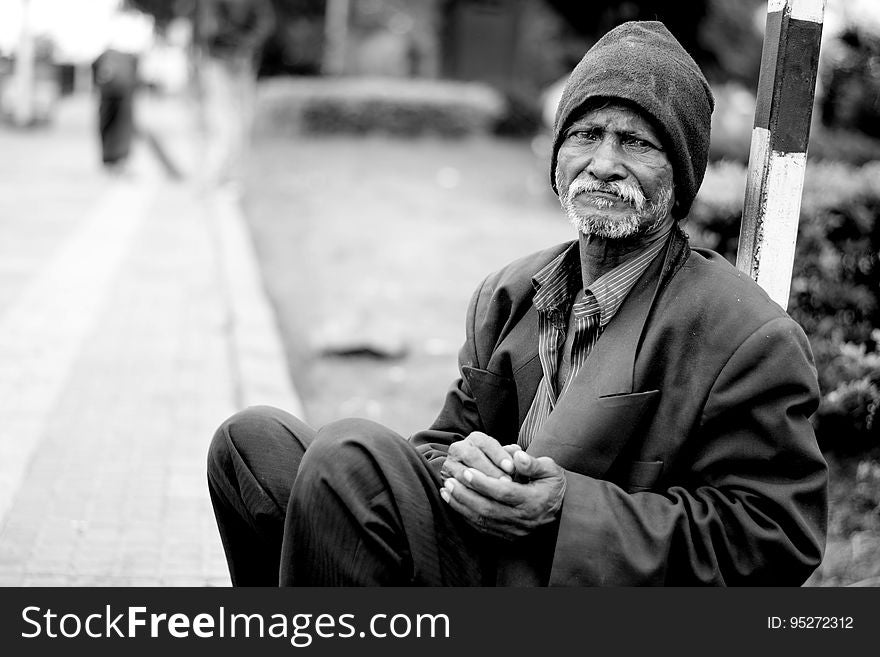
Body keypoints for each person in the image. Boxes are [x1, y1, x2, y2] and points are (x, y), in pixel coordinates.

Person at [207, 21, 828, 586]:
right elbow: (442, 440)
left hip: (576, 589)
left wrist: (565, 511)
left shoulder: (747, 334)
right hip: (475, 557)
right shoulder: (509, 295)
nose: (604, 164)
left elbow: (773, 540)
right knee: (250, 445)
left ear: (681, 173)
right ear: (558, 155)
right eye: (586, 134)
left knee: (349, 459)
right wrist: (458, 462)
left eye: (638, 144)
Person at [192, 0, 275, 189]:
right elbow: (210, 28)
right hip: (220, 63)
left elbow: (266, 23)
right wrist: (241, 47)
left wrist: (243, 48)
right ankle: (214, 176)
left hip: (240, 63)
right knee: (224, 123)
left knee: (240, 123)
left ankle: (225, 177)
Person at [92, 45, 139, 173]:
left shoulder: (118, 60)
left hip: (117, 98)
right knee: (117, 129)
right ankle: (114, 160)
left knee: (119, 130)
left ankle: (115, 160)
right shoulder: (124, 61)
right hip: (115, 98)